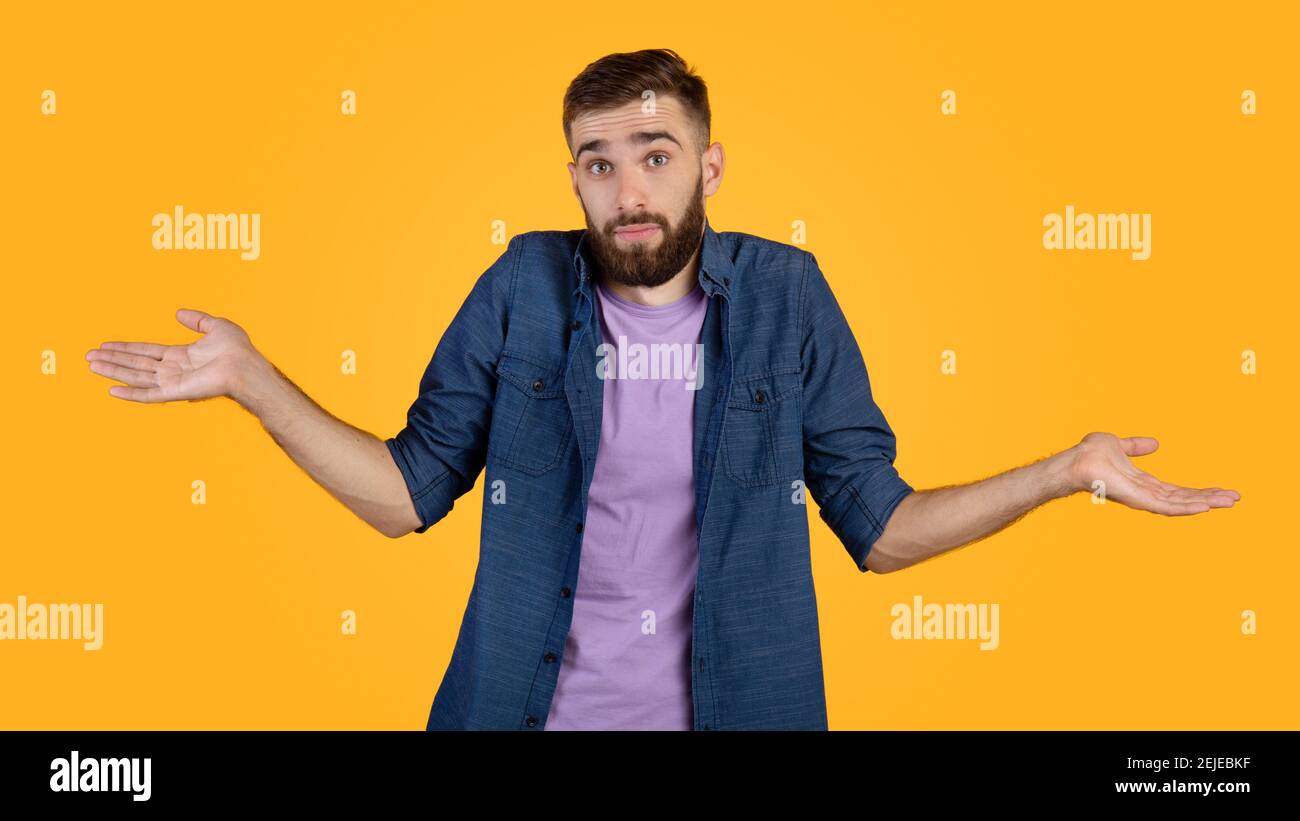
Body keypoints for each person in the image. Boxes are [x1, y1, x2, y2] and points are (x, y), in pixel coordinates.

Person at [85, 49, 1240, 731]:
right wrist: (248, 378)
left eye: (652, 152)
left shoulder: (788, 297)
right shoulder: (521, 286)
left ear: (707, 163)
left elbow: (880, 531)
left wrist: (1065, 471)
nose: (626, 188)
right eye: (598, 161)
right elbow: (401, 494)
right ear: (573, 175)